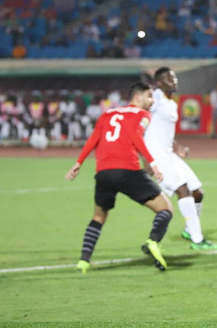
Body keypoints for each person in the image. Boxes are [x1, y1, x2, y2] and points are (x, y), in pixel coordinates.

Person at [65, 82, 172, 273]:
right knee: (165, 208)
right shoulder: (143, 115)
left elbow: (94, 138)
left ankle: (83, 262)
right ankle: (153, 241)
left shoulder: (107, 114)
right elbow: (136, 136)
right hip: (128, 170)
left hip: (104, 173)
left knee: (99, 216)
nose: (152, 101)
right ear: (137, 97)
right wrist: (153, 163)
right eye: (149, 96)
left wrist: (78, 162)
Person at [145, 67, 217, 250]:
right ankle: (197, 240)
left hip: (169, 154)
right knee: (183, 189)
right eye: (168, 78)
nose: (174, 81)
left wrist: (177, 148)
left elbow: (164, 132)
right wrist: (146, 159)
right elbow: (139, 118)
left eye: (174, 77)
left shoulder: (171, 103)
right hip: (156, 156)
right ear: (159, 83)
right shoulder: (155, 98)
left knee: (198, 192)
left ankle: (189, 230)